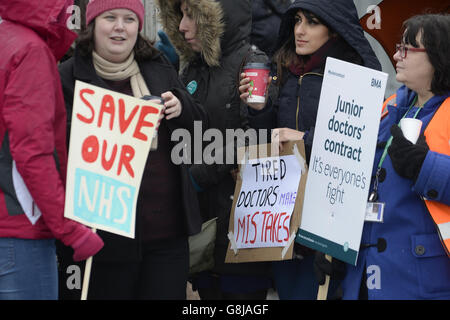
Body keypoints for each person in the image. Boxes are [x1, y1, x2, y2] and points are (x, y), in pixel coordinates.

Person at [57, 0, 208, 300]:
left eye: (128, 19)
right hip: (102, 240)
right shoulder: (68, 75)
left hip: (165, 235)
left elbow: (201, 131)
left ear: (139, 26)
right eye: (110, 17)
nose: (119, 27)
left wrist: (181, 107)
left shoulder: (157, 65)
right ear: (92, 24)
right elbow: (55, 148)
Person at [239, 0, 381, 299]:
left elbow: (358, 141)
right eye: (297, 20)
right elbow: (268, 140)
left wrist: (303, 138)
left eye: (312, 22)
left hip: (329, 218)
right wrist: (258, 109)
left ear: (336, 31)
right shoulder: (285, 69)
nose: (300, 31)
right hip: (282, 214)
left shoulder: (355, 75)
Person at [155, 0, 273, 299]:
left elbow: (255, 137)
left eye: (191, 15)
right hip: (201, 226)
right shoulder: (194, 66)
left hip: (240, 229)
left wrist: (198, 174)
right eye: (180, 15)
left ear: (218, 18)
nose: (182, 26)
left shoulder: (252, 62)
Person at [339, 13, 450, 300]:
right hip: (366, 273)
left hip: (420, 279)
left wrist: (423, 167)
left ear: (439, 56)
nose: (396, 55)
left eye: (408, 48)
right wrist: (334, 244)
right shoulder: (390, 106)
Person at [0, 0, 103, 300]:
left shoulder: (8, 41)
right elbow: (32, 154)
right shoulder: (30, 52)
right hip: (21, 232)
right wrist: (70, 229)